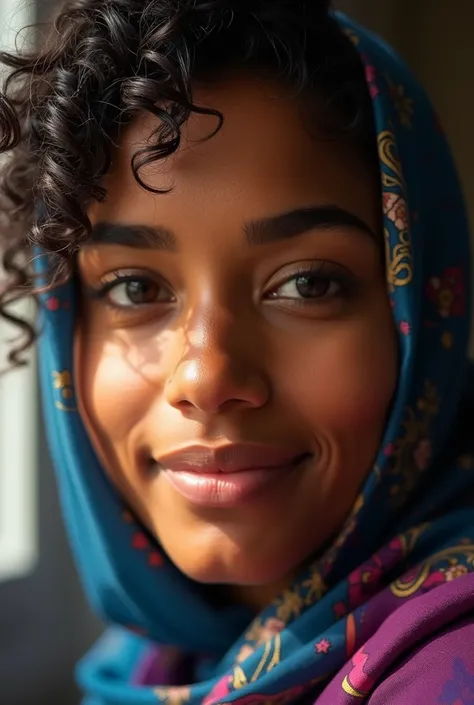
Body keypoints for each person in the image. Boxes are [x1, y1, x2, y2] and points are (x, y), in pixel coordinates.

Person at [1, 0, 474, 702]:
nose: (208, 374)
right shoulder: (149, 659)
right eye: (133, 287)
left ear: (419, 312)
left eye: (307, 283)